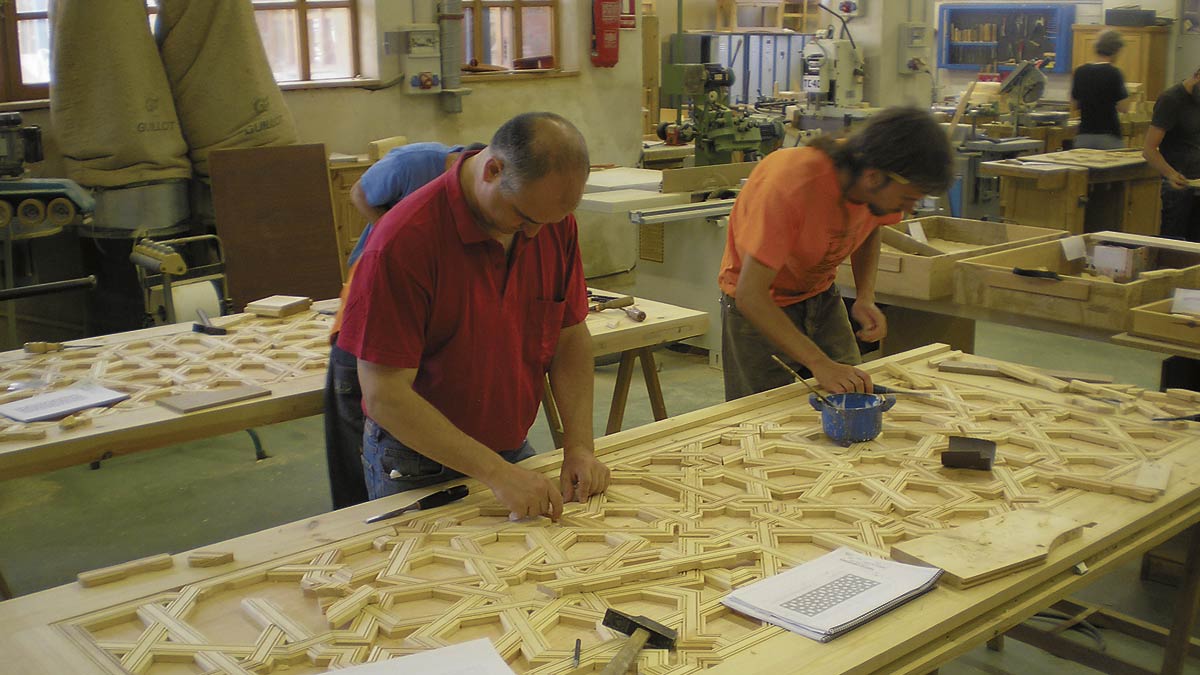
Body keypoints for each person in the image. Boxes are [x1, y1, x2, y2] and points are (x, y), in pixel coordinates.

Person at [337, 112, 611, 520]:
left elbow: (569, 337)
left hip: (507, 448)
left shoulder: (549, 225)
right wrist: (497, 474)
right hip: (418, 462)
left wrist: (579, 446)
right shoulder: (403, 242)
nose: (536, 234)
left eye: (550, 221)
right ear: (493, 170)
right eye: (525, 218)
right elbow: (384, 395)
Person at [718, 107, 953, 401]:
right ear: (872, 177)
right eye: (906, 199)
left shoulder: (872, 184)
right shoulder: (789, 186)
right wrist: (819, 363)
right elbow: (750, 296)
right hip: (762, 306)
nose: (907, 210)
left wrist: (865, 296)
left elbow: (871, 228)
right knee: (764, 416)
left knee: (854, 394)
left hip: (821, 295)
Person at [325, 141, 485, 510]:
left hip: (410, 319)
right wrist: (391, 227)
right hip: (365, 324)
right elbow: (359, 193)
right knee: (361, 459)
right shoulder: (412, 166)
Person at [1144, 67, 1200, 241]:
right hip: (1178, 185)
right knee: (1174, 244)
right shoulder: (1171, 100)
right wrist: (1170, 174)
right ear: (1198, 76)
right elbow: (1149, 150)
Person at [1070, 30, 1129, 151]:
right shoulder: (1114, 73)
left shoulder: (1080, 71)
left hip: (1084, 136)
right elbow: (1124, 108)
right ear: (1116, 50)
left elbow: (1074, 105)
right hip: (1109, 137)